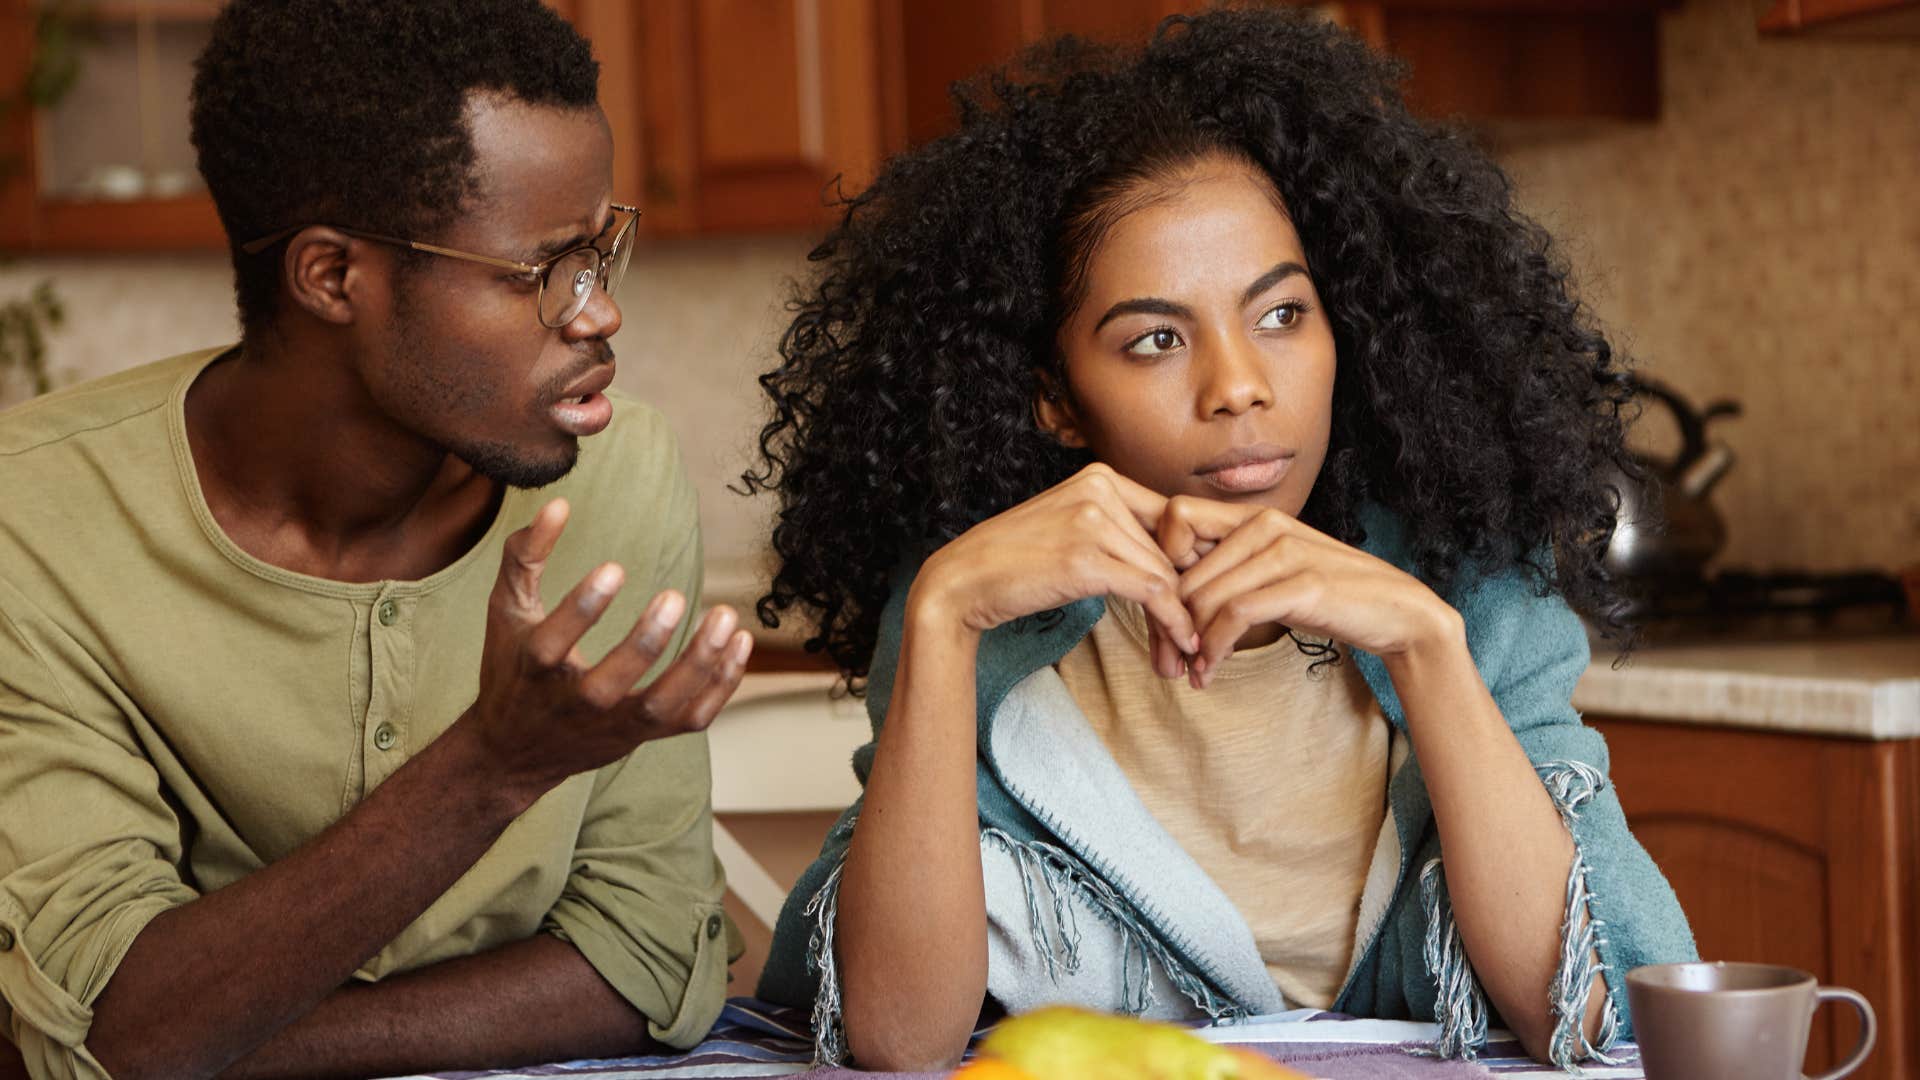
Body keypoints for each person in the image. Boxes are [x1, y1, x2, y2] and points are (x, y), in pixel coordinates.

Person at [746, 8, 1695, 1072]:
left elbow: (1606, 1008)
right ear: (1055, 400)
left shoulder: (1468, 577)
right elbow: (897, 1039)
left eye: (1283, 315)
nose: (1239, 385)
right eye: (1156, 339)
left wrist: (1427, 648)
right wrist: (940, 616)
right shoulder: (985, 610)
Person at [0, 2, 754, 1078]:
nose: (598, 316)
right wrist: (492, 768)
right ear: (333, 278)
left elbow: (649, 964)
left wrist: (212, 1036)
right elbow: (102, 1024)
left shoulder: (619, 479)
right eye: (540, 270)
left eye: (600, 252)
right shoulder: (33, 523)